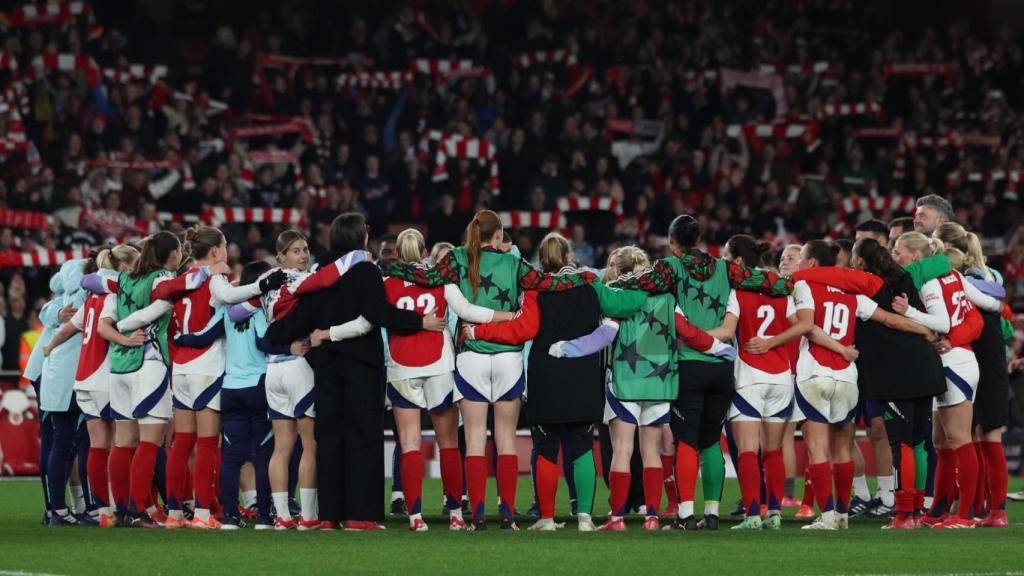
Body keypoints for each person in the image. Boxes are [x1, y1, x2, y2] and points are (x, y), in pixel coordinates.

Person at [383, 210, 596, 531]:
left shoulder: (456, 258)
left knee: (474, 439)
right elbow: (548, 282)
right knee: (506, 438)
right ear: (498, 236)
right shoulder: (514, 262)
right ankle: (507, 516)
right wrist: (584, 276)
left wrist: (394, 265)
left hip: (472, 356)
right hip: (509, 356)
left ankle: (478, 515)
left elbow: (427, 277)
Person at [522, 245, 732, 531]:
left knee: (622, 449)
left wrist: (565, 348)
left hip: (625, 379)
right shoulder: (668, 297)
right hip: (660, 381)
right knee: (651, 452)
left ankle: (617, 518)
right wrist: (722, 350)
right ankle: (652, 518)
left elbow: (604, 336)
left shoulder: (618, 298)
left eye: (612, 266)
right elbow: (686, 331)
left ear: (620, 271)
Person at [315, 228, 510, 531]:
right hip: (439, 366)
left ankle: (415, 517)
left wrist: (329, 333)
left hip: (401, 368)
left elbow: (365, 323)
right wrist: (508, 317)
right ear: (423, 252)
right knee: (448, 443)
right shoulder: (441, 282)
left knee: (409, 444)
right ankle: (456, 513)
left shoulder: (386, 284)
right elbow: (470, 311)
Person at [610, 215, 792, 530]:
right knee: (710, 441)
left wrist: (613, 283)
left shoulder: (670, 267)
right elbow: (767, 282)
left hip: (689, 363)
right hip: (723, 368)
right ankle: (711, 513)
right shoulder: (725, 268)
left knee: (686, 443)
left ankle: (685, 517)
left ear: (672, 240)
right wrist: (790, 282)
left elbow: (638, 283)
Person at [266, 213, 445, 531]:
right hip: (362, 365)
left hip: (326, 367)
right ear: (360, 237)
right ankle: (361, 515)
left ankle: (330, 515)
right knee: (363, 437)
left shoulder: (320, 274)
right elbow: (377, 313)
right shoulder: (365, 270)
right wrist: (420, 321)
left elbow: (301, 317)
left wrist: (276, 337)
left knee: (330, 437)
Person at [753, 240, 933, 530]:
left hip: (814, 373)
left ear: (811, 263)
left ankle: (825, 517)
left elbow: (808, 327)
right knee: (843, 449)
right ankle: (842, 515)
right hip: (848, 378)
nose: (797, 265)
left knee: (818, 449)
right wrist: (925, 329)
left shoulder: (803, 286)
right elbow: (889, 319)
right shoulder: (852, 293)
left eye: (801, 260)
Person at [796, 238, 948, 528]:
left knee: (898, 443)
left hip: (888, 372)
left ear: (861, 262)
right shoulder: (899, 278)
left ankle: (897, 514)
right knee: (916, 442)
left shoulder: (860, 283)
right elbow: (893, 317)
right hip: (915, 367)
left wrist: (792, 277)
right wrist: (926, 331)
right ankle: (914, 510)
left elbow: (810, 317)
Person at [707, 236, 856, 530]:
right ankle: (774, 514)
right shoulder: (784, 291)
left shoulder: (738, 292)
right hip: (782, 376)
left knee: (749, 449)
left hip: (749, 375)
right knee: (774, 448)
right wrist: (775, 342)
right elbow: (804, 325)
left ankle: (752, 515)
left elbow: (726, 331)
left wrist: (689, 335)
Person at [162, 226, 286, 529]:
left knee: (181, 444)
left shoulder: (179, 282)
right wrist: (262, 284)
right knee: (207, 445)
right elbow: (231, 295)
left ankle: (174, 512)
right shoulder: (216, 280)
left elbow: (160, 311)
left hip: (181, 368)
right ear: (216, 250)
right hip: (208, 370)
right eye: (225, 246)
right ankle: (204, 513)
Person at [88, 231, 211, 527]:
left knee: (123, 441)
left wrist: (122, 331)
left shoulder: (124, 280)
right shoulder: (159, 279)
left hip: (118, 365)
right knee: (151, 441)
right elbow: (189, 282)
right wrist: (204, 270)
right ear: (172, 255)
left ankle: (120, 509)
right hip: (149, 363)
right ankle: (136, 509)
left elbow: (89, 282)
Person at [891, 232, 1003, 528]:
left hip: (954, 363)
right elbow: (988, 303)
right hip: (958, 360)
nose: (894, 256)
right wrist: (998, 306)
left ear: (916, 256)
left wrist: (909, 312)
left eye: (897, 250)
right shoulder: (952, 273)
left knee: (960, 440)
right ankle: (938, 510)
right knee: (942, 442)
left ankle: (965, 514)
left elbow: (942, 322)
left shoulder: (929, 282)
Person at [43, 245, 143, 528]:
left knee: (97, 445)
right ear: (123, 266)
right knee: (120, 442)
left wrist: (50, 345)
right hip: (103, 377)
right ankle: (122, 505)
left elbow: (67, 329)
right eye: (135, 263)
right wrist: (126, 341)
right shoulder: (113, 295)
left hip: (83, 379)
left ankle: (102, 511)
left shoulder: (91, 298)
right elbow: (104, 329)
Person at [933, 223, 1010, 527]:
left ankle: (977, 509)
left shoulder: (963, 280)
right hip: (993, 360)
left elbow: (993, 301)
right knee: (986, 437)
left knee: (971, 437)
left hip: (978, 359)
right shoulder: (986, 275)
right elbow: (999, 295)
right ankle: (990, 510)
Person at [36, 258, 88, 525]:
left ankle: (60, 507)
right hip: (60, 374)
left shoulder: (63, 297)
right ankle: (57, 508)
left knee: (62, 442)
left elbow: (46, 310)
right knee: (62, 442)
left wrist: (55, 315)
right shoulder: (79, 294)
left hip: (56, 373)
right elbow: (47, 312)